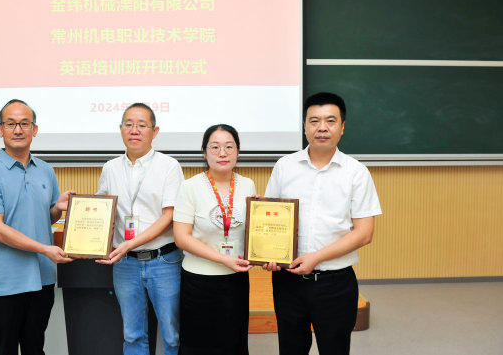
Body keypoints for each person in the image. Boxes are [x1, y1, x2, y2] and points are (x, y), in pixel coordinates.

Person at [263, 92, 382, 355]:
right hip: (288, 281)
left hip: (334, 284)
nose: (322, 128)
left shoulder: (356, 172)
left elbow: (364, 233)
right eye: (314, 121)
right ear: (305, 127)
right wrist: (268, 254)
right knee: (291, 349)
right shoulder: (285, 166)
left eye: (330, 120)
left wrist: (316, 257)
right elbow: (271, 218)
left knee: (334, 349)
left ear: (342, 127)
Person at [0, 99, 74, 355]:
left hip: (41, 279)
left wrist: (57, 208)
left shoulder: (46, 170)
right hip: (4, 282)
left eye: (24, 124)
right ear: (1, 130)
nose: (18, 130)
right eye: (11, 124)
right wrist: (44, 249)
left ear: (34, 130)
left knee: (35, 349)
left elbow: (44, 219)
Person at [95, 102, 184, 355]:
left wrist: (129, 244)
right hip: (125, 264)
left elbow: (170, 216)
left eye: (142, 125)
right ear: (121, 129)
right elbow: (103, 210)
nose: (134, 130)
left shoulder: (169, 166)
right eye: (129, 124)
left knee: (172, 334)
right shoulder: (110, 167)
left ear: (154, 132)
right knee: (132, 334)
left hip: (163, 261)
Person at [173, 124, 256, 355]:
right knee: (199, 346)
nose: (222, 153)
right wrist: (222, 259)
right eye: (215, 147)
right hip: (198, 282)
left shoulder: (248, 185)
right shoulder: (190, 186)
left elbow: (251, 231)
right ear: (204, 152)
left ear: (237, 152)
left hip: (235, 280)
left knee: (233, 344)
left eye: (229, 147)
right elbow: (181, 238)